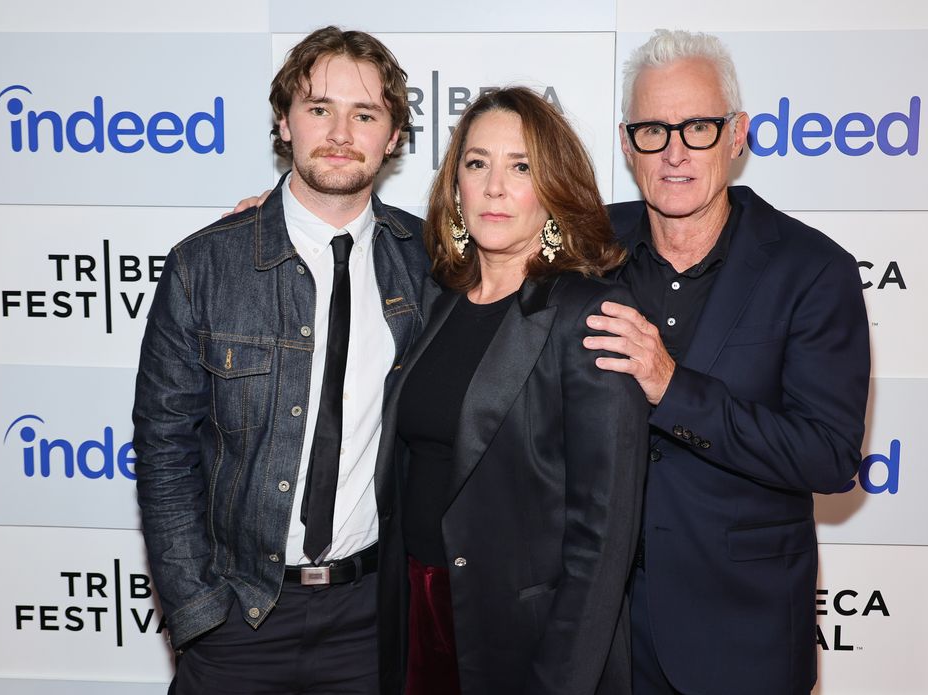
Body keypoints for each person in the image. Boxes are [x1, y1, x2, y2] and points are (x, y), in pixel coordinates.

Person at [132, 26, 430, 694]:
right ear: (283, 121)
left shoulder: (428, 264)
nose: (341, 132)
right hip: (239, 619)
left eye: (366, 114)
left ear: (393, 137)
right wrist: (197, 611)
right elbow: (162, 450)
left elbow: (548, 245)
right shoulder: (203, 266)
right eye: (319, 108)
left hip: (371, 621)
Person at [583, 30, 871, 694]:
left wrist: (672, 386)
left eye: (699, 127)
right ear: (628, 144)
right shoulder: (587, 244)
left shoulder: (812, 269)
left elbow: (828, 454)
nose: (675, 151)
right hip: (604, 637)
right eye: (653, 130)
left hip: (742, 638)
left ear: (737, 135)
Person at [374, 87, 648, 695]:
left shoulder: (591, 313)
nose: (495, 186)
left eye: (520, 166)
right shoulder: (438, 299)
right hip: (420, 616)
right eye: (477, 164)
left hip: (525, 639)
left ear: (553, 188)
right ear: (456, 187)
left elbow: (603, 541)